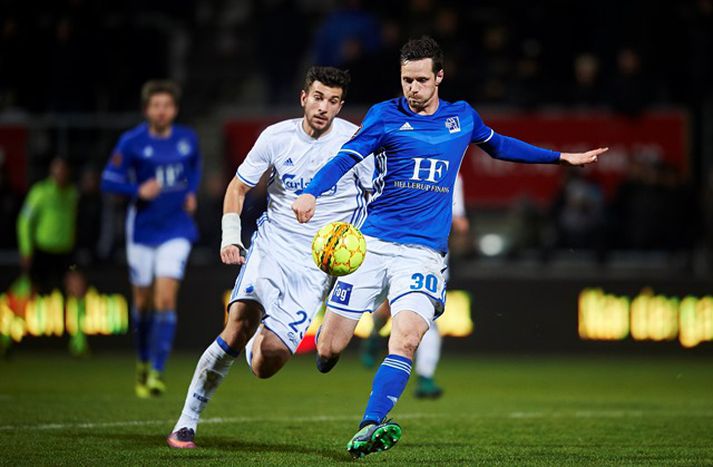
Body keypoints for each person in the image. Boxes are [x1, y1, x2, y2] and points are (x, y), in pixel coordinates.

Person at [292, 36, 607, 459]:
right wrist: (313, 192)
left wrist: (560, 157)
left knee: (405, 339)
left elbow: (500, 146)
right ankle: (335, 356)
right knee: (328, 349)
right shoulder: (383, 115)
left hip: (424, 253)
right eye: (406, 80)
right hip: (371, 244)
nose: (413, 88)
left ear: (439, 76)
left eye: (422, 79)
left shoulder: (462, 118)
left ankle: (370, 424)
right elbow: (347, 157)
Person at [166, 66, 374, 449]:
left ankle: (257, 342)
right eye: (317, 97)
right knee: (238, 323)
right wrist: (232, 236)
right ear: (303, 97)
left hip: (317, 268)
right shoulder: (275, 137)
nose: (323, 107)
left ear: (340, 106)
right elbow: (237, 188)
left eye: (332, 101)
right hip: (272, 247)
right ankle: (186, 422)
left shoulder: (357, 143)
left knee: (267, 362)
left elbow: (376, 200)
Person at [101, 80, 202, 398]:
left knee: (165, 299)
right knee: (143, 303)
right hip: (143, 230)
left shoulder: (188, 139)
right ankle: (143, 362)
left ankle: (158, 371)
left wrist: (191, 192)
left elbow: (195, 168)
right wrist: (136, 191)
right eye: (156, 105)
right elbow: (108, 180)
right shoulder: (131, 142)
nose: (162, 111)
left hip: (176, 229)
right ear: (147, 109)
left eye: (167, 105)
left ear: (174, 109)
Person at [360, 174, 469, 399]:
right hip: (393, 246)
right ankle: (374, 334)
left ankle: (425, 376)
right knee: (388, 307)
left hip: (428, 253)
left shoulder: (452, 175)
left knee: (425, 315)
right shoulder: (402, 160)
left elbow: (459, 220)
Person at [17, 157, 78, 295]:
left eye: (63, 170)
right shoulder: (39, 192)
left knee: (73, 288)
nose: (60, 174)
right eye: (57, 171)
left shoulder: (73, 194)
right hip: (42, 251)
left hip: (65, 253)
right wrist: (26, 249)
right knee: (34, 289)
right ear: (51, 172)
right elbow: (24, 222)